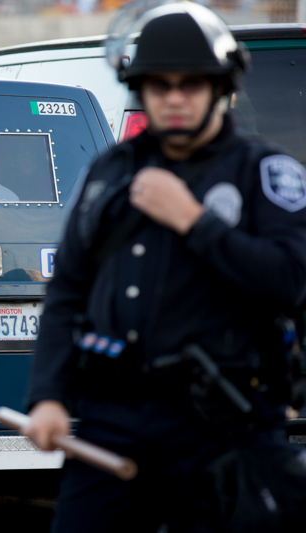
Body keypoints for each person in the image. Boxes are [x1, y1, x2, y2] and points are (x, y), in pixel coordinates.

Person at [22, 2, 306, 531]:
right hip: (111, 420)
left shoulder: (264, 172)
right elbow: (68, 292)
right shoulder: (107, 173)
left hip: (223, 429)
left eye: (191, 84)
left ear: (222, 87)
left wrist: (193, 221)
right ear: (141, 89)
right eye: (159, 85)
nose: (174, 98)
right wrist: (48, 397)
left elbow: (292, 282)